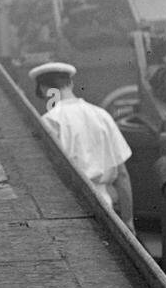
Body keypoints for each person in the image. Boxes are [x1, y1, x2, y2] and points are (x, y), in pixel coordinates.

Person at [29, 61, 134, 231]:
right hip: (107, 206)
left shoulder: (50, 121)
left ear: (43, 89)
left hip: (72, 210)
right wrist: (129, 221)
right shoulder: (102, 115)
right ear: (71, 83)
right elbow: (122, 174)